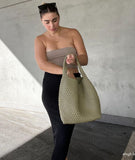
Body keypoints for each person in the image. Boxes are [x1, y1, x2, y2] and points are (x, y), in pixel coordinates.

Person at [34, 2, 88, 160]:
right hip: (52, 84)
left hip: (73, 81)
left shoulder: (73, 33)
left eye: (55, 20)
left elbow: (84, 59)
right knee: (59, 128)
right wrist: (65, 71)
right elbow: (42, 64)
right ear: (41, 21)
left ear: (59, 17)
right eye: (47, 22)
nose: (52, 25)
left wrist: (75, 58)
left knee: (66, 125)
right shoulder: (40, 39)